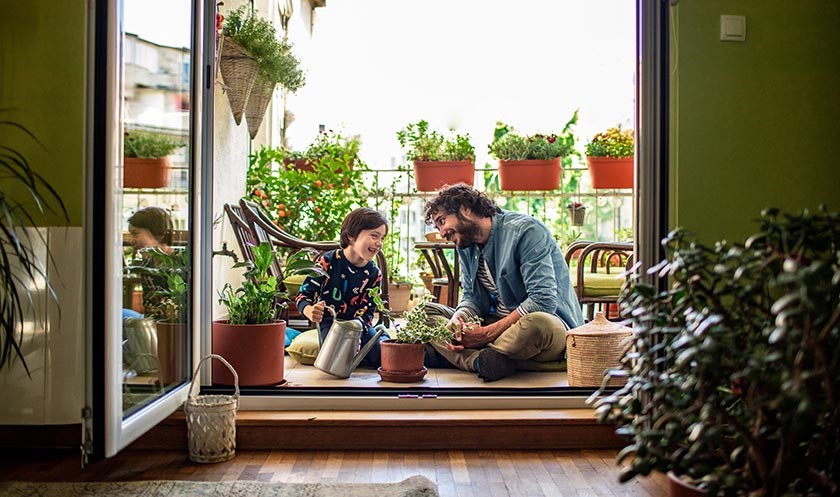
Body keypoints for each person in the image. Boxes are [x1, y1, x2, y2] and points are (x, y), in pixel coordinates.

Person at [423, 183, 584, 382]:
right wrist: (459, 319)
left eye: (442, 221)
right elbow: (472, 298)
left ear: (465, 207)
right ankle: (481, 361)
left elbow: (543, 300)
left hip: (546, 326)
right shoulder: (465, 245)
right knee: (424, 313)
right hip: (499, 326)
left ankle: (451, 356)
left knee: (538, 324)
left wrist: (487, 334)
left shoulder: (526, 231)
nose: (442, 233)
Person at [295, 208, 391, 368]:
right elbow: (303, 295)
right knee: (335, 358)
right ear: (351, 236)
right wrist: (309, 311)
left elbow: (368, 311)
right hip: (331, 323)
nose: (379, 243)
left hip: (359, 325)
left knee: (379, 356)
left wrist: (357, 335)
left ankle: (381, 334)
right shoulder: (327, 262)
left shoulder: (374, 274)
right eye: (374, 235)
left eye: (382, 238)